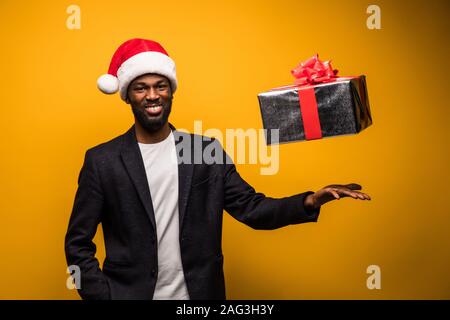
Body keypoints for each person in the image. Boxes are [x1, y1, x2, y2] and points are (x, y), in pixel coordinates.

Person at [64, 38, 371, 300]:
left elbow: (252, 209)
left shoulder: (204, 151)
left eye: (160, 86)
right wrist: (104, 295)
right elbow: (77, 243)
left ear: (171, 91)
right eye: (141, 88)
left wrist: (309, 201)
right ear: (128, 96)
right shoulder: (102, 161)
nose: (152, 96)